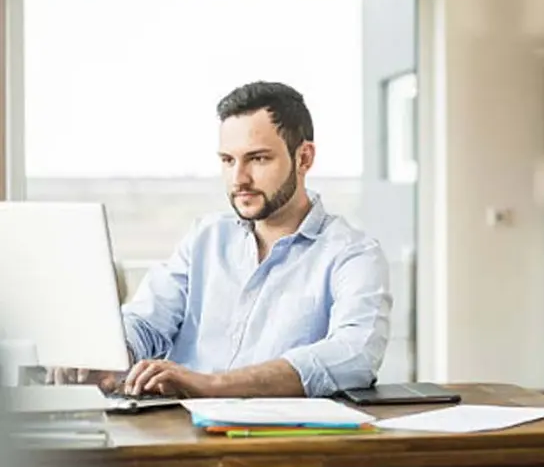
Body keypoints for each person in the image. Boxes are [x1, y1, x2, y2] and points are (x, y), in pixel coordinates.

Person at [48, 81, 392, 398]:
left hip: (282, 444)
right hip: (176, 430)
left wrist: (212, 384)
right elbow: (147, 320)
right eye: (228, 160)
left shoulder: (353, 254)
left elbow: (355, 354)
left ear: (304, 157)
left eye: (258, 158)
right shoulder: (205, 238)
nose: (238, 178)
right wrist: (108, 353)